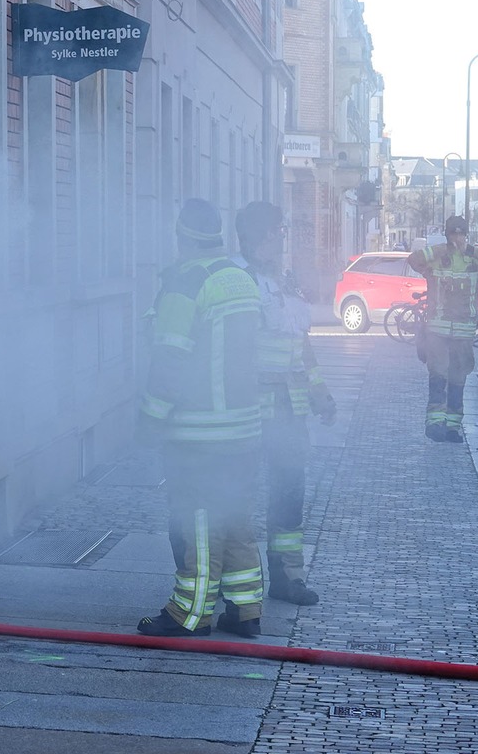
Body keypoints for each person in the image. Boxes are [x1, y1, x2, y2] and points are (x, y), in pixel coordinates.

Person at [137, 199, 265, 638]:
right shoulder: (240, 278)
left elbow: (170, 360)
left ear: (182, 237)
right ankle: (246, 610)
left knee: (199, 519)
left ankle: (188, 615)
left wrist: (150, 419)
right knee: (236, 515)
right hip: (245, 426)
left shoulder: (187, 282)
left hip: (199, 431)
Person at [233, 202, 335, 608]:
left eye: (282, 231)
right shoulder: (238, 280)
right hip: (249, 411)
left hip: (289, 412)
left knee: (290, 494)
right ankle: (237, 586)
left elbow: (300, 344)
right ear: (256, 237)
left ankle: (287, 578)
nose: (281, 238)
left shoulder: (285, 281)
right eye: (276, 231)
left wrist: (320, 393)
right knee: (237, 497)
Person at [407, 215, 478, 442]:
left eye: (461, 234)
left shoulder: (473, 259)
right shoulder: (437, 257)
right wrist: (442, 249)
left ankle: (453, 427)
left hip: (463, 332)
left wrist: (473, 251)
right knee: (438, 376)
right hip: (437, 330)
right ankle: (434, 424)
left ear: (466, 235)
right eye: (453, 234)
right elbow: (413, 260)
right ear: (447, 235)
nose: (457, 238)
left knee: (458, 379)